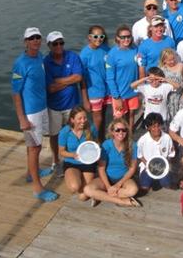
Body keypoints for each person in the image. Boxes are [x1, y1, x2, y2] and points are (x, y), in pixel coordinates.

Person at [11, 27, 58, 202]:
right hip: (31, 113)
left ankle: (32, 172)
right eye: (31, 38)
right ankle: (38, 188)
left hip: (42, 107)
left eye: (38, 37)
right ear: (25, 42)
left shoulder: (39, 57)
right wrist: (22, 118)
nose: (35, 41)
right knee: (34, 148)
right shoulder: (20, 64)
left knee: (33, 146)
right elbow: (16, 93)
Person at [43, 31, 83, 175]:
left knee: (75, 132)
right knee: (54, 135)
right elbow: (50, 88)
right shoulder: (45, 62)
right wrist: (69, 79)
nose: (59, 46)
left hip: (72, 105)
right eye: (55, 43)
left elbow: (78, 77)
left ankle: (74, 159)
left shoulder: (72, 56)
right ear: (49, 45)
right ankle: (56, 161)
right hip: (54, 106)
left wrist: (58, 80)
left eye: (61, 43)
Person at [83, 118, 141, 207]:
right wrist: (108, 187)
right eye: (117, 130)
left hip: (124, 179)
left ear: (127, 131)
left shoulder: (132, 145)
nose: (121, 133)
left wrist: (118, 185)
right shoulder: (106, 145)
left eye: (124, 130)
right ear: (112, 132)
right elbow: (101, 169)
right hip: (107, 178)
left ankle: (101, 196)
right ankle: (122, 201)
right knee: (87, 189)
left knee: (133, 190)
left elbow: (132, 168)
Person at [58, 106, 99, 201]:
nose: (83, 121)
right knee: (74, 187)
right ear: (72, 120)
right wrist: (73, 155)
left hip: (88, 162)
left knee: (83, 197)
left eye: (85, 117)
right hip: (71, 163)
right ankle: (75, 177)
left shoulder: (91, 128)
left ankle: (93, 182)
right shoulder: (65, 132)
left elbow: (96, 144)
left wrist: (96, 154)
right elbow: (61, 152)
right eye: (79, 118)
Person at [106, 24, 140, 133]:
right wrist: (116, 97)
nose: (126, 39)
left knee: (131, 115)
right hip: (120, 94)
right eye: (123, 37)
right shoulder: (112, 54)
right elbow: (110, 78)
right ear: (117, 38)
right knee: (119, 121)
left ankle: (129, 138)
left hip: (133, 92)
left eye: (128, 36)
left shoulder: (135, 49)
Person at [80, 25, 111, 135]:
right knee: (97, 120)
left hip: (107, 90)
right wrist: (85, 99)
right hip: (94, 92)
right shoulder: (84, 54)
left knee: (103, 118)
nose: (99, 39)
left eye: (101, 36)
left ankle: (101, 141)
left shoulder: (106, 49)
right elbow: (81, 78)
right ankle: (94, 142)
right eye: (96, 36)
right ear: (89, 37)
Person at [137, 113, 175, 192]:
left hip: (163, 168)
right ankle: (151, 180)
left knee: (167, 185)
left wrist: (166, 165)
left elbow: (171, 154)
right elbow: (139, 155)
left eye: (159, 125)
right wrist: (148, 165)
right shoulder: (142, 140)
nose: (157, 129)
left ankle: (159, 181)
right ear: (148, 127)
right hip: (148, 168)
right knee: (144, 188)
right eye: (153, 126)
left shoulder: (167, 138)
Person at [159, 48, 183, 124]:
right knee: (170, 121)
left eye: (173, 59)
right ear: (164, 60)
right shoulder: (161, 69)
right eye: (169, 60)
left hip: (180, 95)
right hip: (168, 98)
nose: (172, 61)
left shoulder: (181, 66)